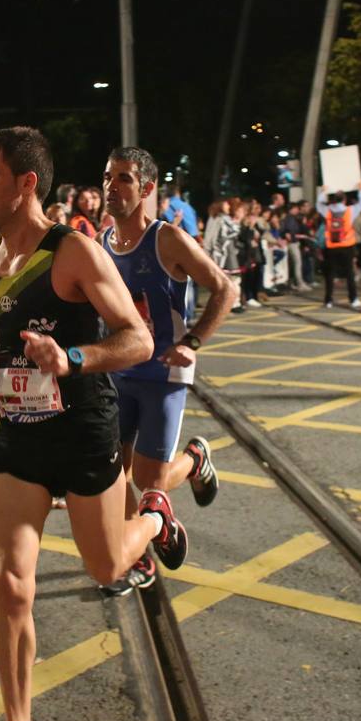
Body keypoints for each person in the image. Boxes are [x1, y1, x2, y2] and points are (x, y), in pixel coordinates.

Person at [0, 127, 186, 721]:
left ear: (25, 184)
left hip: (81, 431)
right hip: (17, 436)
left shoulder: (74, 252)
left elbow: (138, 341)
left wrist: (71, 356)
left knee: (106, 567)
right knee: (12, 585)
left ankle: (154, 513)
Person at [100, 147, 234, 594]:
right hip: (119, 373)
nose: (112, 187)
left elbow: (224, 288)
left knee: (147, 480)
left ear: (147, 188)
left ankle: (194, 459)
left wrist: (193, 343)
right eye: (108, 177)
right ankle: (139, 561)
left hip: (163, 375)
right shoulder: (101, 244)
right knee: (112, 473)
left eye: (123, 179)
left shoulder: (168, 240)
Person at [318, 181, 361, 308]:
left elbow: (318, 204)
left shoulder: (327, 211)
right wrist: (360, 190)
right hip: (347, 245)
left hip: (331, 246)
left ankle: (328, 300)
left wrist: (323, 192)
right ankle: (353, 299)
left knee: (330, 273)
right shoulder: (350, 211)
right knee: (349, 273)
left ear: (333, 200)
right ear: (344, 200)